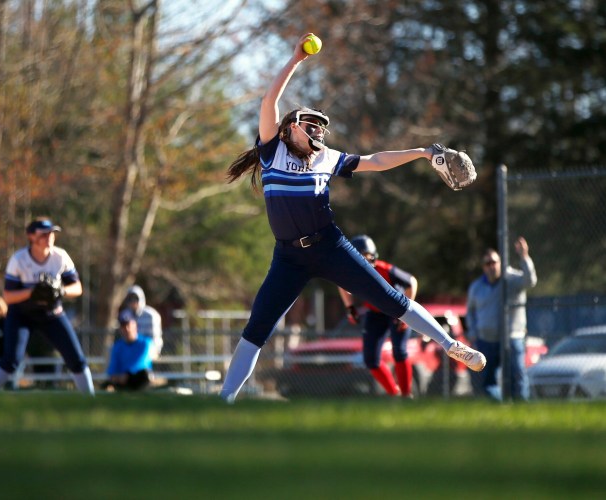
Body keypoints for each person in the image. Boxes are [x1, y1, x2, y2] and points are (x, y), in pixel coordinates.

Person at [219, 33, 486, 403]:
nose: (317, 131)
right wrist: (296, 59)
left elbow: (375, 161)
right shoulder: (272, 150)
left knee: (390, 299)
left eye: (320, 127)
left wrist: (425, 152)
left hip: (329, 245)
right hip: (289, 257)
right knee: (257, 328)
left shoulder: (327, 157)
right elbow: (269, 100)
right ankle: (224, 401)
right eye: (310, 125)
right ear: (289, 127)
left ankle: (451, 344)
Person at [0, 218, 94, 395]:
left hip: (51, 313)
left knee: (76, 359)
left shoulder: (60, 256)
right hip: (22, 314)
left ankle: (91, 399)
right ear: (31, 236)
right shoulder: (19, 259)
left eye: (51, 233)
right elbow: (8, 297)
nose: (48, 237)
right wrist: (33, 292)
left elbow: (77, 288)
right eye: (43, 234)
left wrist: (61, 291)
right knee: (11, 360)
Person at [338, 235, 418, 398]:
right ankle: (393, 393)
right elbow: (341, 285)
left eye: (367, 256)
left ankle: (406, 394)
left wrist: (407, 309)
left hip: (396, 311)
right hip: (376, 312)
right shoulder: (352, 273)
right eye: (360, 257)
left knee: (399, 352)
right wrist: (350, 307)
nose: (365, 261)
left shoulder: (385, 269)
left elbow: (411, 282)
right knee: (370, 359)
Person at [466, 237, 537, 401]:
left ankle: (521, 409)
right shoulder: (476, 287)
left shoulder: (511, 279)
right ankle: (499, 408)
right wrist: (473, 332)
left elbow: (530, 281)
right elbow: (470, 312)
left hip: (512, 337)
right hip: (486, 340)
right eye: (487, 263)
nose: (491, 266)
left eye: (494, 262)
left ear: (500, 262)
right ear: (483, 267)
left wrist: (524, 257)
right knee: (487, 380)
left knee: (517, 376)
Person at [103, 309, 154, 391]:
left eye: (128, 325)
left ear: (135, 325)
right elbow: (113, 366)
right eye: (123, 326)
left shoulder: (145, 343)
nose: (126, 329)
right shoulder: (118, 346)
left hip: (137, 378)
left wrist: (127, 374)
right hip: (121, 379)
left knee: (144, 374)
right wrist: (114, 376)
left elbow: (140, 363)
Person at [121, 285, 163, 359]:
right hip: (130, 352)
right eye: (130, 299)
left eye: (135, 299)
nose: (132, 302)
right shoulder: (125, 315)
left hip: (148, 351)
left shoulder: (151, 315)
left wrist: (153, 352)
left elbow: (155, 339)